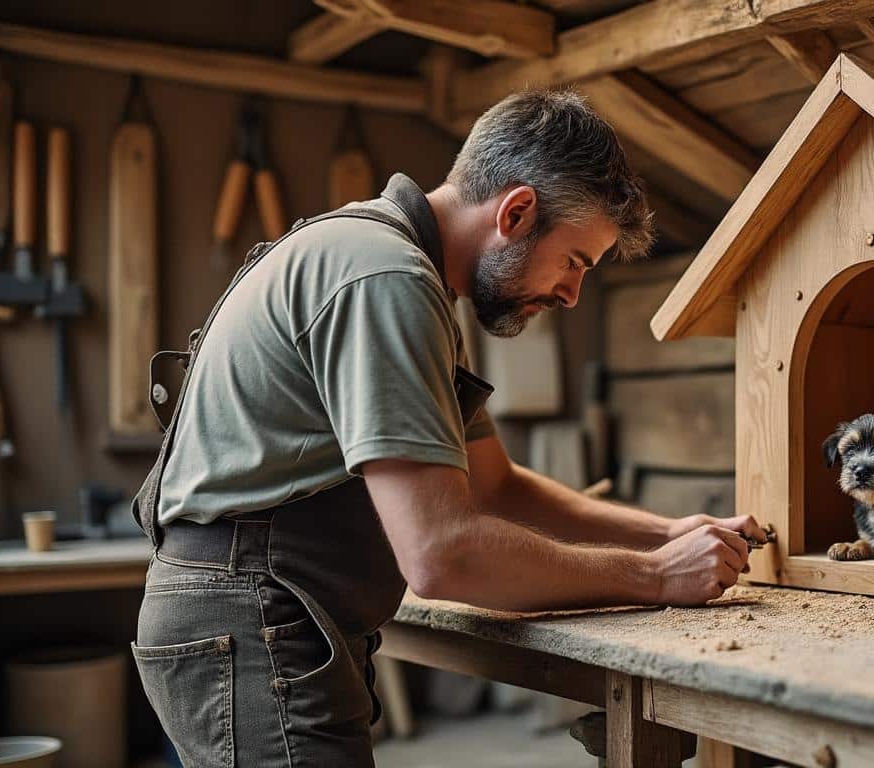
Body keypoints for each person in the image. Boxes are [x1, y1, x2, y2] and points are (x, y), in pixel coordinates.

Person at [129, 89, 765, 767]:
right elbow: (441, 555)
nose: (572, 294)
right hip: (248, 615)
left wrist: (667, 534)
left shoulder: (403, 272)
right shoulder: (387, 278)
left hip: (259, 613)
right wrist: (654, 578)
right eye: (575, 261)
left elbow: (496, 489)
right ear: (516, 212)